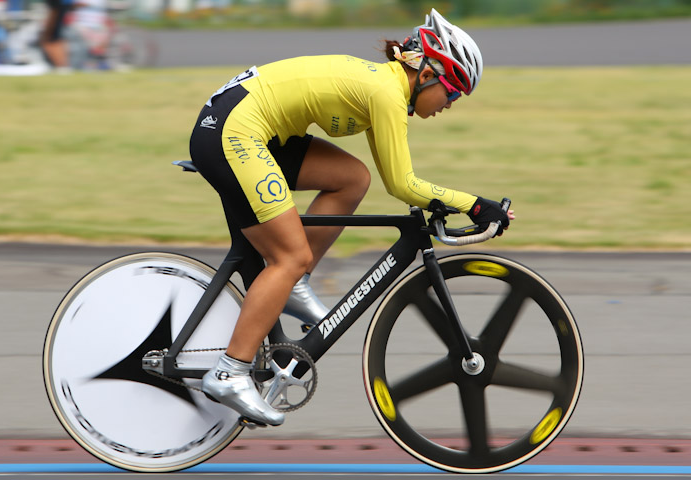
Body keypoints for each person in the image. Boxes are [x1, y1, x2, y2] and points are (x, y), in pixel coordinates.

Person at [189, 8, 514, 427]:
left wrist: (462, 202)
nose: (450, 105)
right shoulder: (385, 93)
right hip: (233, 133)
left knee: (350, 178)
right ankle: (229, 371)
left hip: (251, 129)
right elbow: (402, 185)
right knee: (289, 256)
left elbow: (384, 179)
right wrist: (473, 204)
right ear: (431, 73)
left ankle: (292, 285)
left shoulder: (387, 89)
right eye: (453, 93)